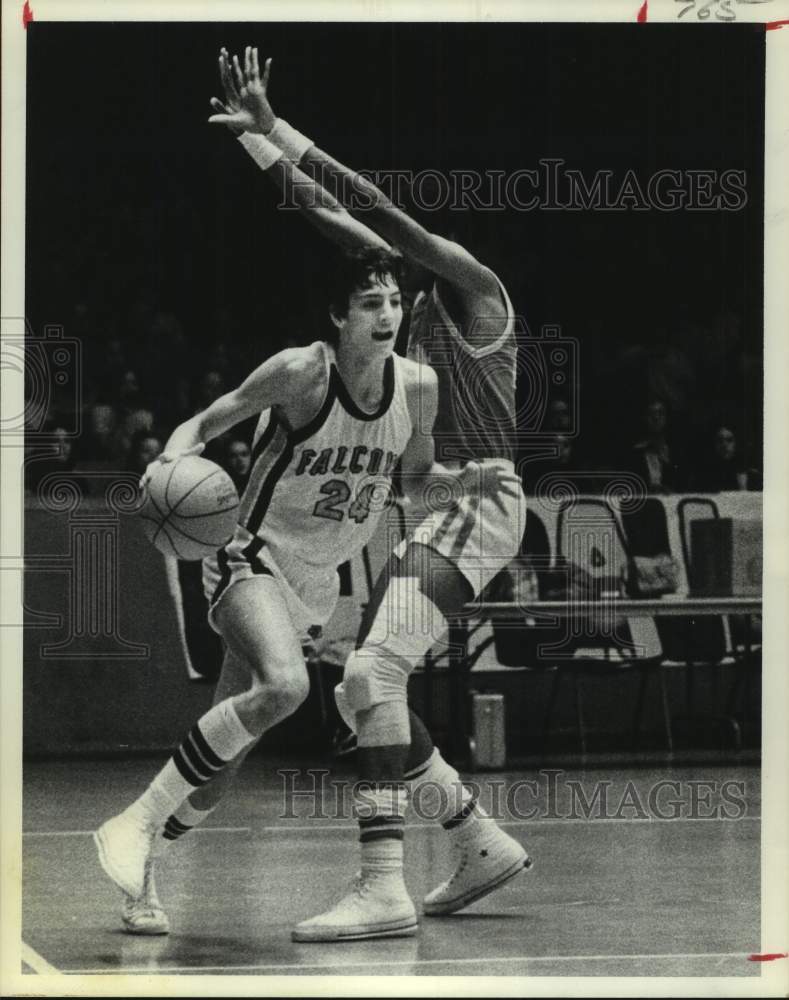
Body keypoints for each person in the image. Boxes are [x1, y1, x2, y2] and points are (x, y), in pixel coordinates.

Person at [93, 92, 496, 939]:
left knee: (227, 753)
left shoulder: (416, 384)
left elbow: (412, 484)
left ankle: (144, 875)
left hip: (317, 585)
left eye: (393, 301)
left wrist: (458, 485)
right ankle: (130, 823)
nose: (387, 313)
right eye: (371, 303)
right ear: (338, 316)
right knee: (287, 687)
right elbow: (206, 421)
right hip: (251, 557)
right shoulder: (300, 371)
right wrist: (170, 459)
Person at [207, 47, 532, 941]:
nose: (378, 294)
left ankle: (383, 885)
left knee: (369, 671)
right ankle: (478, 839)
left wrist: (283, 127)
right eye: (371, 292)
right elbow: (330, 220)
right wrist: (257, 148)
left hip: (478, 499)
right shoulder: (395, 298)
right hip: (430, 499)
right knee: (361, 692)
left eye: (387, 283)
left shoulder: (474, 289)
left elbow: (377, 210)